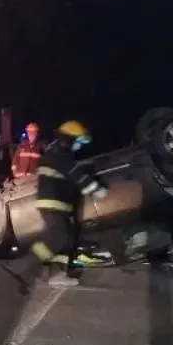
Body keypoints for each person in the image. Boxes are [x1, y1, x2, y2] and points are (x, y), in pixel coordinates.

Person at [30, 120, 109, 286]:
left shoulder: (57, 153)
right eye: (77, 141)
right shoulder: (58, 154)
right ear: (69, 139)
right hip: (52, 203)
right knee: (58, 236)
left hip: (58, 204)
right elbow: (76, 174)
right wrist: (96, 189)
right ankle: (30, 264)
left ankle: (58, 275)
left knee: (68, 237)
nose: (78, 146)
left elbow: (71, 179)